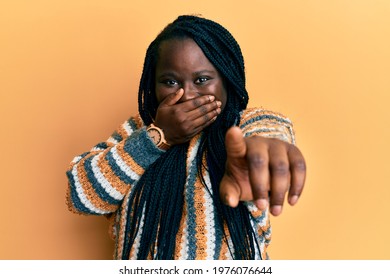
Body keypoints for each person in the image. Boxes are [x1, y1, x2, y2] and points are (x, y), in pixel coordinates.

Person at [66, 15, 306, 260]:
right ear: (153, 84)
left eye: (202, 80)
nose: (186, 95)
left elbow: (270, 130)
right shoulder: (139, 129)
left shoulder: (244, 124)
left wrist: (261, 151)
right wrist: (159, 137)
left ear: (227, 79)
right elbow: (81, 196)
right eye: (170, 82)